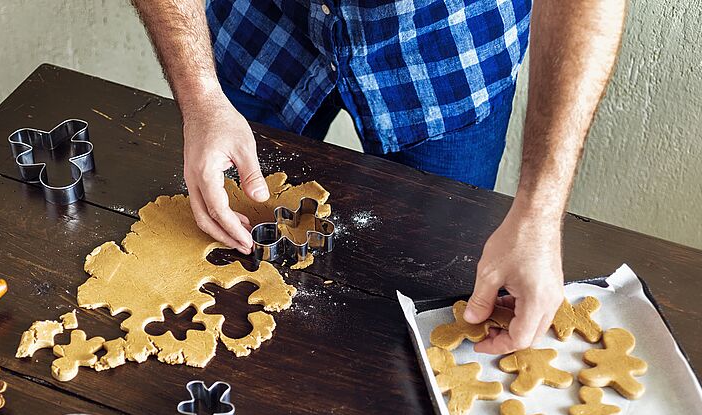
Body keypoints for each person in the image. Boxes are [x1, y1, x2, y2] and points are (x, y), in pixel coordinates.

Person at [132, 0, 626, 354]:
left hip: (449, 38)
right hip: (268, 20)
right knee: (218, 222)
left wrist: (539, 214)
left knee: (440, 276)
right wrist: (199, 98)